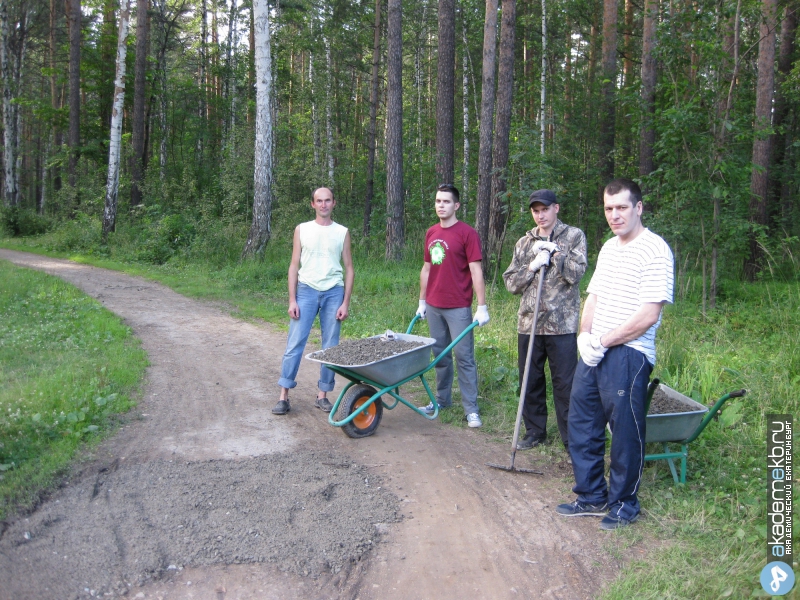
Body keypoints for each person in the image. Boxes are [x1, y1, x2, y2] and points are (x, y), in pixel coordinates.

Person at [557, 178, 674, 530]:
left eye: (622, 207)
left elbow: (648, 315)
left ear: (638, 207)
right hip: (594, 350)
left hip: (629, 353)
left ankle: (624, 504)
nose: (615, 215)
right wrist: (584, 337)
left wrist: (604, 341)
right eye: (609, 209)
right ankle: (592, 495)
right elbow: (594, 297)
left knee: (624, 431)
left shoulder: (656, 249)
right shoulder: (609, 248)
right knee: (582, 422)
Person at [502, 189, 587, 451]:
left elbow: (577, 274)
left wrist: (556, 254)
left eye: (545, 209)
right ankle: (535, 431)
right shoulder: (524, 243)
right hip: (529, 323)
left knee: (565, 383)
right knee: (530, 380)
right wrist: (532, 266)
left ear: (556, 208)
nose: (541, 215)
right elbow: (510, 284)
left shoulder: (573, 236)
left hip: (562, 325)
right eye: (536, 210)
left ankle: (570, 436)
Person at [272, 187, 354, 415]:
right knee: (295, 343)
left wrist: (345, 302)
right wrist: (292, 299)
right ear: (312, 204)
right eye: (319, 201)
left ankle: (323, 395)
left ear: (334, 203)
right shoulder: (302, 230)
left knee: (330, 346)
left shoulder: (342, 232)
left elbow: (349, 268)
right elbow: (293, 265)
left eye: (328, 200)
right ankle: (283, 395)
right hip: (306, 290)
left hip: (333, 292)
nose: (324, 205)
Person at [416, 183, 489, 428]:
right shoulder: (431, 232)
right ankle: (441, 400)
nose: (441, 205)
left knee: (464, 357)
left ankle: (471, 409)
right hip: (434, 305)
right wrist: (422, 301)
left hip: (458, 306)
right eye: (438, 201)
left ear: (456, 205)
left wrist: (482, 306)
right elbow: (426, 269)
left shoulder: (467, 233)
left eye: (446, 202)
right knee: (441, 356)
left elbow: (476, 270)